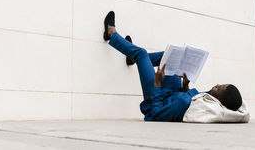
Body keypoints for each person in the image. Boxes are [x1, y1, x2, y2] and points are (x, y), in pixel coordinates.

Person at [103, 11, 243, 122]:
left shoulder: (189, 104)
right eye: (221, 84)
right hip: (172, 91)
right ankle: (133, 58)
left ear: (220, 100)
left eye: (221, 88)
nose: (217, 85)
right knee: (168, 59)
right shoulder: (207, 99)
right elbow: (186, 98)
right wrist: (185, 87)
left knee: (142, 53)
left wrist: (157, 84)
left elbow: (156, 114)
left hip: (155, 98)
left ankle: (111, 34)